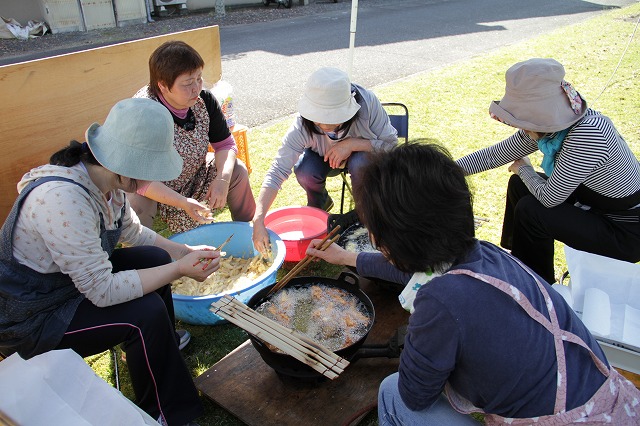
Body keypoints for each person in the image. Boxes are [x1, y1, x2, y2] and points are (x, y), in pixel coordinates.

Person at [323, 143, 640, 424]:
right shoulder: (485, 254)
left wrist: (422, 344)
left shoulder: (439, 303)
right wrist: (346, 258)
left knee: (392, 394)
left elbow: (414, 395)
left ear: (396, 242)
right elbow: (421, 269)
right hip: (610, 404)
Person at [0, 98, 223, 426]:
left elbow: (131, 229)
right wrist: (178, 270)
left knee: (155, 257)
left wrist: (180, 251)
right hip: (34, 317)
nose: (150, 177)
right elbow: (102, 291)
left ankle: (162, 349)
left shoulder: (107, 179)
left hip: (70, 285)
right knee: (143, 315)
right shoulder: (62, 200)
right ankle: (165, 412)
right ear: (117, 159)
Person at [456, 58, 640, 284]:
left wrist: (523, 168)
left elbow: (550, 198)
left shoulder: (587, 135)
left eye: (521, 119)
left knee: (531, 210)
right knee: (520, 187)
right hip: (596, 208)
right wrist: (441, 171)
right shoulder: (555, 126)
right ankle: (522, 263)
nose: (519, 126)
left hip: (624, 231)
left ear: (540, 116)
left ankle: (538, 286)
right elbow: (494, 155)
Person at [252, 66, 398, 254]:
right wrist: (258, 219)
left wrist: (353, 144)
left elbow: (391, 146)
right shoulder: (302, 125)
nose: (325, 126)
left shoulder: (368, 104)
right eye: (319, 121)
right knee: (305, 169)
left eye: (334, 120)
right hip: (324, 160)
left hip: (363, 160)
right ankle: (320, 204)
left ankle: (365, 216)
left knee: (360, 162)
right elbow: (278, 170)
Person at [128, 40, 255, 234]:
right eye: (188, 83)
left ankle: (248, 231)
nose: (196, 88)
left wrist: (222, 179)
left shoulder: (204, 100)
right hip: (152, 186)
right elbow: (140, 181)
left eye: (199, 78)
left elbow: (226, 145)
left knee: (237, 170)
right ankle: (145, 257)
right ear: (162, 85)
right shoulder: (144, 112)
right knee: (137, 205)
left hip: (194, 173)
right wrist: (182, 202)